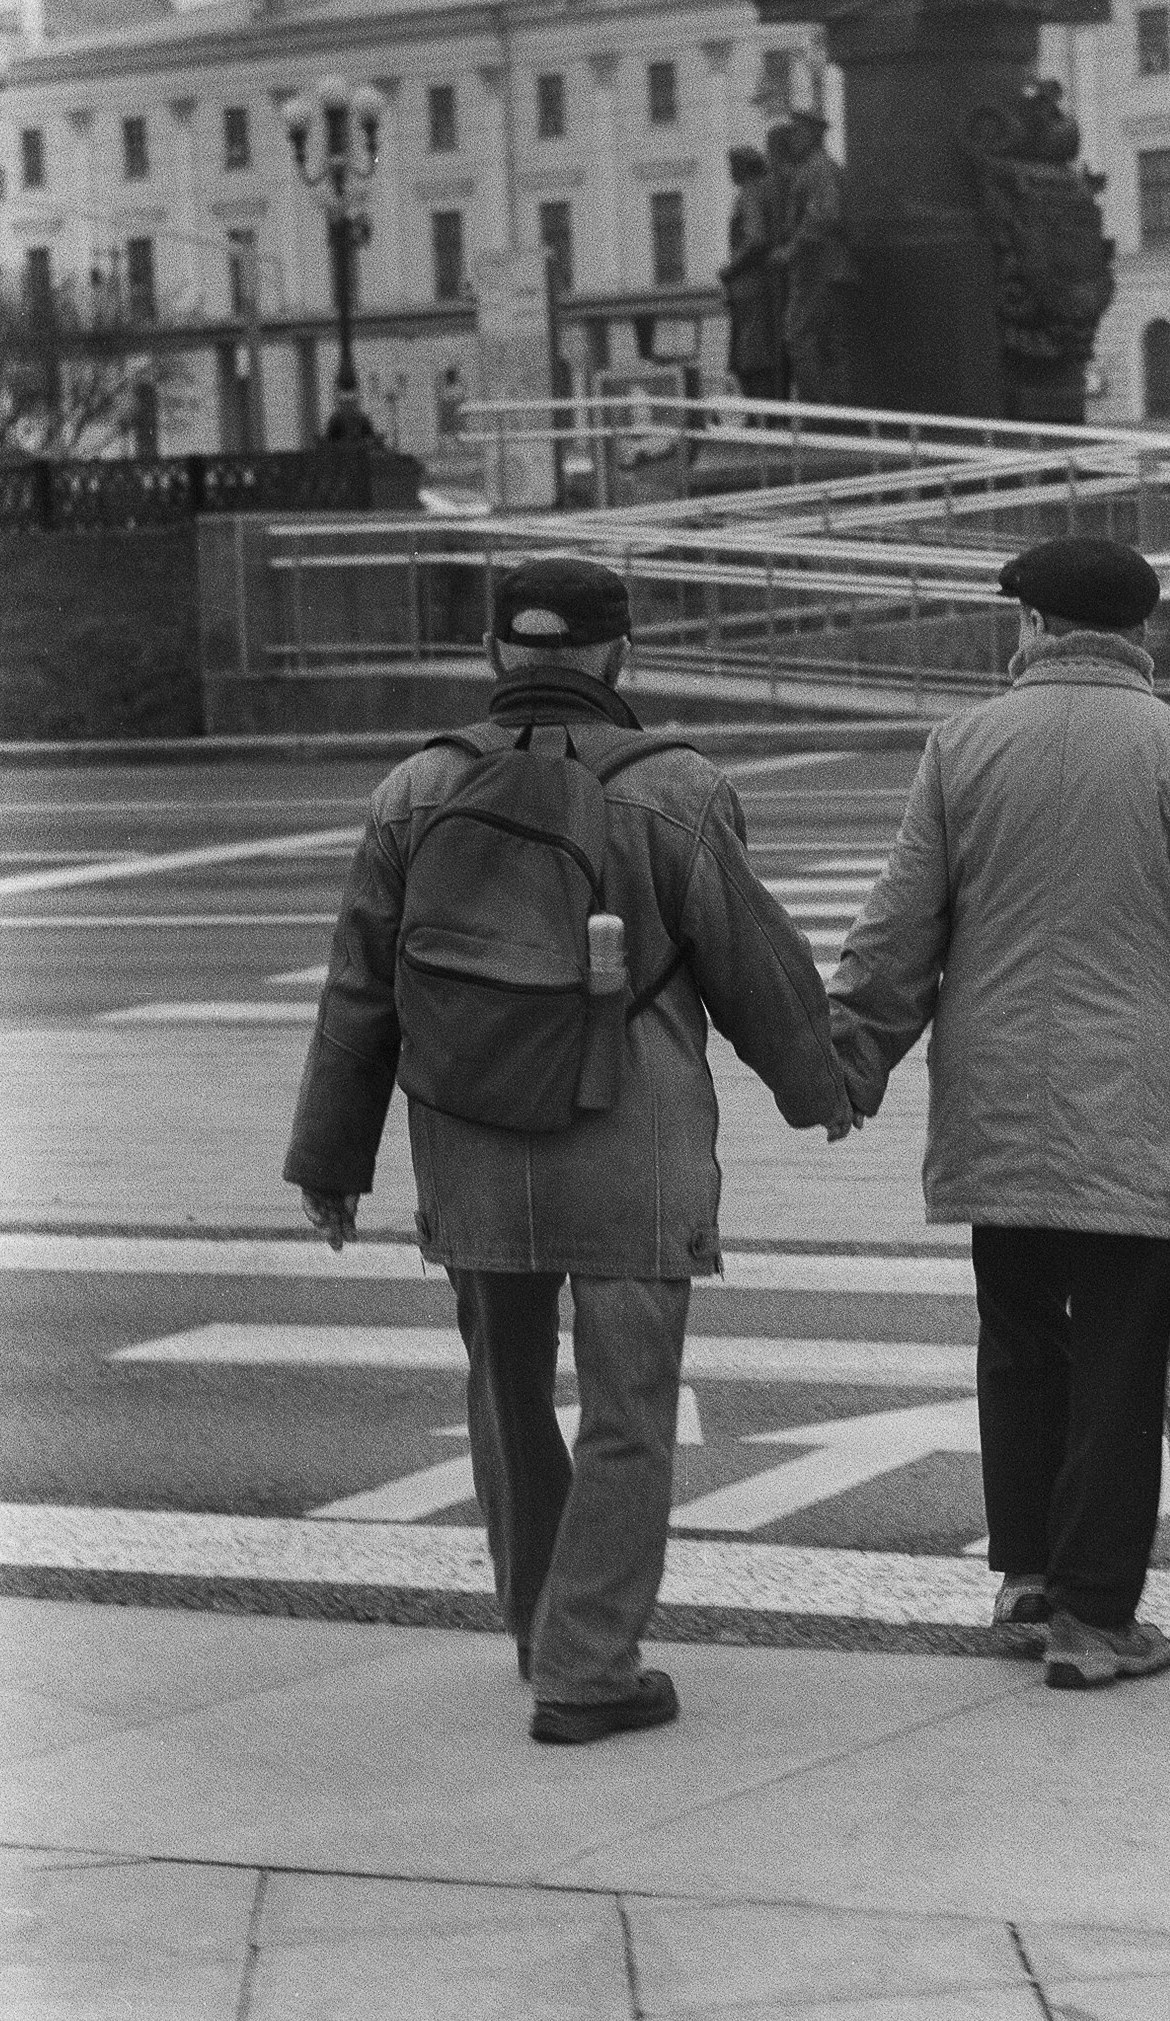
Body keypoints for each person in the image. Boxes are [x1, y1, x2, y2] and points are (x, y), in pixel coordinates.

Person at [283, 554, 854, 1745]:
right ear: (617, 654)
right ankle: (589, 1665)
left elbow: (358, 992)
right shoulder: (677, 787)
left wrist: (331, 1163)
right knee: (627, 1402)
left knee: (502, 1384)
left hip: (470, 1130)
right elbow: (754, 965)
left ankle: (540, 1625)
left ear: (493, 653)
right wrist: (825, 1088)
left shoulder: (413, 789)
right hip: (627, 1138)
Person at [828, 537, 1170, 1692]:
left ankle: (1030, 1575)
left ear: (1039, 629)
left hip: (997, 1105)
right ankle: (1095, 1618)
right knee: (1117, 1352)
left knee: (1018, 1340)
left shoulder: (962, 745)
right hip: (1134, 1115)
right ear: (1140, 636)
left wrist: (846, 1060)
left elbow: (900, 924)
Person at [772, 108, 855, 403]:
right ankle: (839, 416)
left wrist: (790, 251)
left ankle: (820, 416)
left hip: (817, 270)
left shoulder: (818, 169)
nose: (793, 138)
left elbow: (825, 216)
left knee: (800, 337)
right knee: (832, 344)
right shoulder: (821, 168)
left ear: (813, 135)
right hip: (829, 268)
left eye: (799, 132)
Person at [719, 146, 785, 401]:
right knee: (761, 355)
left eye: (733, 166)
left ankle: (759, 419)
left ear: (744, 169)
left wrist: (729, 270)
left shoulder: (749, 195)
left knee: (751, 357)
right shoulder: (766, 192)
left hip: (749, 286)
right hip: (762, 285)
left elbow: (756, 240)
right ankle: (765, 417)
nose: (730, 172)